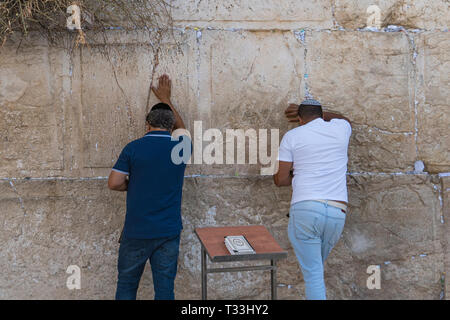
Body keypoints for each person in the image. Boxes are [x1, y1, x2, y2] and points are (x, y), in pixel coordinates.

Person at [108, 74, 190, 300]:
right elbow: (182, 127)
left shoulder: (133, 148)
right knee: (165, 290)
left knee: (126, 285)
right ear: (171, 125)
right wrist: (167, 99)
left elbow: (114, 183)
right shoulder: (180, 150)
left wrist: (132, 184)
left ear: (147, 124)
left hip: (136, 231)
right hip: (168, 232)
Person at [273, 99, 352, 300]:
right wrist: (325, 113)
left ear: (300, 120)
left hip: (306, 209)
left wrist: (294, 174)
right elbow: (343, 118)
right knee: (315, 270)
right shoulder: (341, 128)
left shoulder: (293, 135)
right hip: (337, 211)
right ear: (321, 115)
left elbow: (281, 179)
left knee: (314, 275)